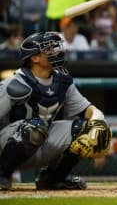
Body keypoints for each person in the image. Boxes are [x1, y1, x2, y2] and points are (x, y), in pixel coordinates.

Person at [0, 31, 111, 190]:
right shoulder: (14, 83)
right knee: (35, 127)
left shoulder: (62, 81)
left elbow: (88, 110)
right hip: (7, 145)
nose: (56, 52)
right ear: (35, 58)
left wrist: (98, 122)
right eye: (49, 49)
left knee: (83, 128)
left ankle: (53, 179)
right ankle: (2, 174)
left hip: (40, 140)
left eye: (55, 47)